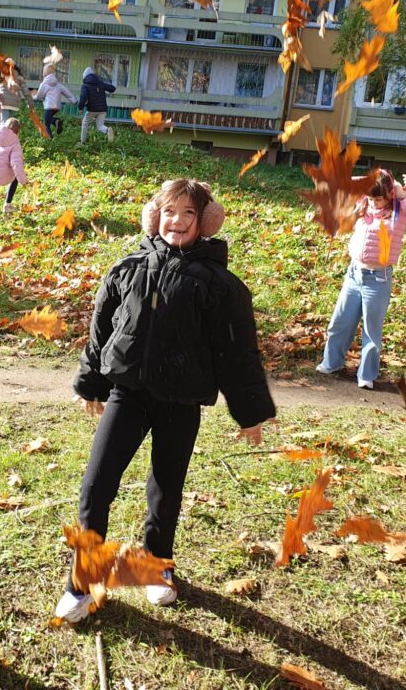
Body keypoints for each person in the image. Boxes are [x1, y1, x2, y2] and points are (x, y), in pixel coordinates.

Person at [55, 179, 276, 623]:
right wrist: (91, 385)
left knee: (165, 489)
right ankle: (82, 580)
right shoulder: (129, 268)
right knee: (97, 485)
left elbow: (237, 352)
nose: (177, 221)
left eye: (188, 214)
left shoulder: (218, 284)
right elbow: (102, 329)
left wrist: (250, 412)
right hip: (127, 396)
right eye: (170, 212)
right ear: (155, 215)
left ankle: (157, 566)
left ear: (205, 222)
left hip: (181, 404)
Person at [316, 170, 406, 390]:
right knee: (341, 322)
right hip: (354, 273)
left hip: (378, 278)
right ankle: (331, 363)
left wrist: (402, 186)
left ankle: (366, 374)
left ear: (389, 195)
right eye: (371, 197)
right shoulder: (364, 204)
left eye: (379, 198)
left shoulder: (401, 210)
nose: (375, 203)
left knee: (371, 328)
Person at [33, 64, 76, 138]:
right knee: (49, 119)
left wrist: (33, 97)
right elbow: (66, 91)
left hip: (49, 106)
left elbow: (39, 96)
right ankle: (56, 121)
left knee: (46, 124)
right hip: (57, 107)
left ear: (45, 73)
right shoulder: (57, 84)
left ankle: (50, 139)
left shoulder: (44, 84)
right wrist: (73, 99)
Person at [78, 66, 116, 144]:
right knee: (100, 126)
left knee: (85, 123)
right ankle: (107, 130)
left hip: (92, 109)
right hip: (103, 109)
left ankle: (82, 142)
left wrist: (80, 107)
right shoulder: (100, 83)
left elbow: (83, 97)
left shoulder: (85, 86)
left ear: (84, 77)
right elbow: (112, 88)